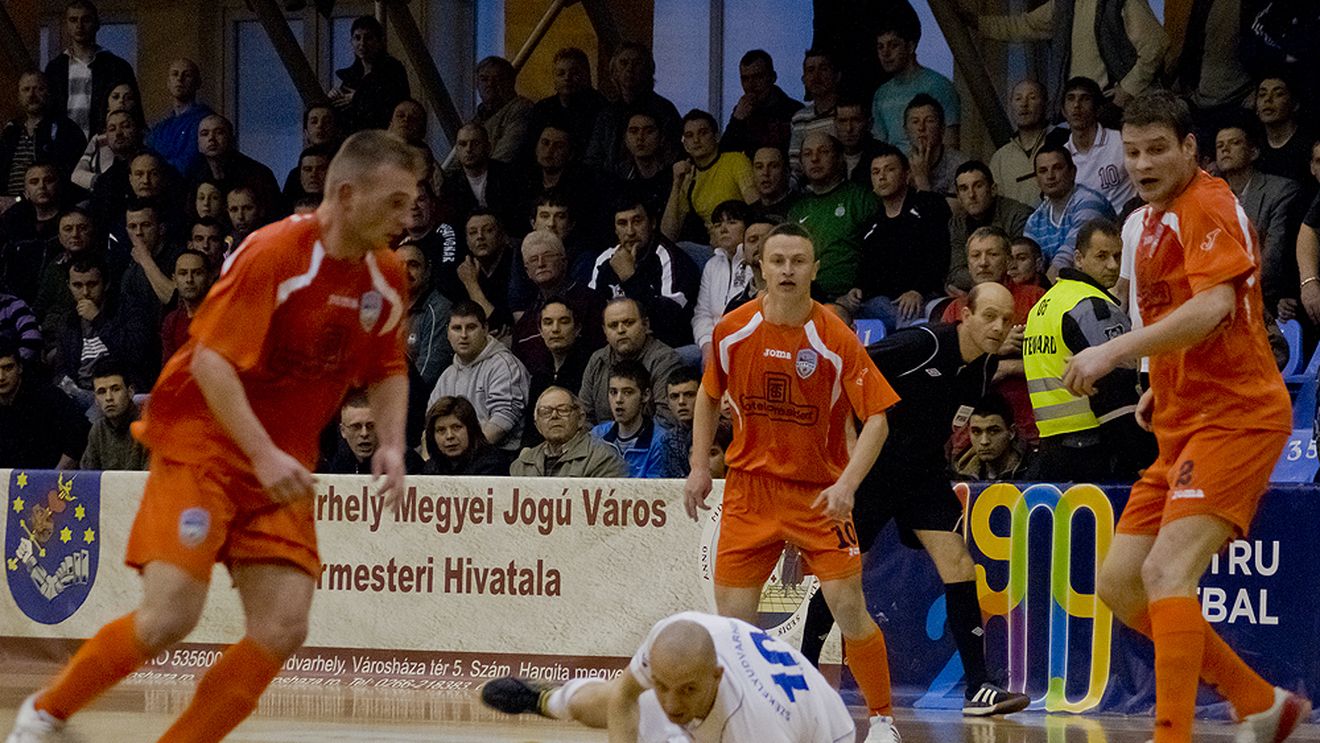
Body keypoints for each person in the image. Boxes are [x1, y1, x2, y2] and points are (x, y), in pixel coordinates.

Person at [4, 130, 422, 743]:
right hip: (206, 447)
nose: (408, 217)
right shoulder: (275, 254)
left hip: (280, 464)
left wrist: (390, 443)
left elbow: (387, 366)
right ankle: (47, 711)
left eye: (412, 202)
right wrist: (263, 454)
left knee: (282, 627)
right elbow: (210, 364)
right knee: (171, 615)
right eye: (395, 201)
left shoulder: (386, 276)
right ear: (346, 193)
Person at [1063, 90, 1308, 743]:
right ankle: (1259, 699)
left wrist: (1112, 352)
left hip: (1238, 416)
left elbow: (1214, 308)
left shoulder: (1208, 201)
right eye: (1133, 151)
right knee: (1120, 583)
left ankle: (1171, 733)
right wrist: (1155, 380)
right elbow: (1173, 324)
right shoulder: (1143, 222)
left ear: (1189, 148)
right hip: (1181, 418)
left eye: (1157, 149)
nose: (1143, 163)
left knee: (1167, 573)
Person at [685, 222, 904, 743]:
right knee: (735, 628)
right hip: (748, 491)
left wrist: (848, 484)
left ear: (814, 269)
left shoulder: (834, 338)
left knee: (849, 610)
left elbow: (878, 419)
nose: (787, 269)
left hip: (819, 495)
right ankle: (743, 719)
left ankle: (882, 721)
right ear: (760, 265)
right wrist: (698, 465)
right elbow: (707, 395)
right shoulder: (731, 330)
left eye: (798, 261)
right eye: (777, 260)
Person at [800, 282, 1032, 717]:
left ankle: (978, 688)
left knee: (959, 563)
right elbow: (847, 375)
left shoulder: (983, 368)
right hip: (872, 472)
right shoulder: (922, 344)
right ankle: (805, 676)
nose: (999, 327)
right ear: (964, 314)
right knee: (844, 576)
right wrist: (848, 456)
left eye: (1006, 319)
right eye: (989, 316)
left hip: (921, 475)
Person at [481, 611, 855, 741]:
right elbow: (626, 696)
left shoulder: (758, 730)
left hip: (820, 731)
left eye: (686, 690)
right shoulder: (673, 633)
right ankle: (551, 700)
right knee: (613, 701)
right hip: (734, 697)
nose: (673, 704)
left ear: (716, 675)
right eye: (662, 687)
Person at [1023, 219, 1153, 482]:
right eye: (1102, 256)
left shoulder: (1043, 305)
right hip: (1093, 446)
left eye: (1118, 256)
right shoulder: (1092, 307)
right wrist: (1142, 459)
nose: (1113, 265)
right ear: (1079, 258)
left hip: (1051, 446)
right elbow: (1116, 391)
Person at [965, 0, 1167, 113]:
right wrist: (975, 22)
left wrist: (1127, 90)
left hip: (1118, 110)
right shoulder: (1064, 5)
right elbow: (1024, 25)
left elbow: (1156, 45)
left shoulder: (1122, 1)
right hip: (1081, 111)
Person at [842, 143, 948, 329]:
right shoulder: (871, 224)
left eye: (889, 169)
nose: (881, 177)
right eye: (875, 172)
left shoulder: (926, 207)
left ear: (907, 175)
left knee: (905, 318)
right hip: (875, 302)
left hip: (918, 298)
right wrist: (857, 288)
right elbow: (866, 268)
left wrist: (917, 290)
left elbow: (938, 256)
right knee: (837, 313)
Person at [1214, 122, 1304, 319]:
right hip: (1219, 300)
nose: (1225, 149)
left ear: (1253, 151)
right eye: (1220, 146)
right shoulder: (1213, 196)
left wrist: (1231, 294)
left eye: (1234, 143)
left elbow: (1273, 256)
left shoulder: (1281, 191)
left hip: (1266, 301)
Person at [592, 197, 701, 350]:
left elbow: (670, 319)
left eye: (637, 221)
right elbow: (593, 315)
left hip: (664, 349)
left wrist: (630, 278)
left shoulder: (671, 258)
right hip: (615, 349)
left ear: (652, 223)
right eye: (622, 224)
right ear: (615, 229)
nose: (630, 231)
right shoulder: (605, 260)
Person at [427, 300, 530, 459]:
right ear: (447, 333)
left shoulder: (504, 365)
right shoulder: (446, 375)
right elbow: (430, 424)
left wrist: (465, 455)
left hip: (497, 458)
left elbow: (503, 422)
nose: (463, 335)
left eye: (471, 327)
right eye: (456, 328)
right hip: (455, 458)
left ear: (485, 329)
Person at [786, 132, 877, 301]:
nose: (814, 159)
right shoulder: (797, 209)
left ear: (839, 158)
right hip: (804, 299)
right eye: (807, 154)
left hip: (855, 299)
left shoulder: (860, 198)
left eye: (823, 152)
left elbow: (879, 252)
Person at [579, 297, 682, 425]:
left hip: (651, 442)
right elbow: (584, 417)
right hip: (599, 441)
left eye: (628, 323)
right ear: (605, 331)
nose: (621, 330)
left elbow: (667, 420)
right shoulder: (597, 360)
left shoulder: (665, 360)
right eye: (613, 325)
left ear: (646, 325)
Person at [43, 0, 138, 138]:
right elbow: (48, 111)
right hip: (64, 146)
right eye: (73, 20)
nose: (79, 26)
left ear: (97, 24)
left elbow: (133, 109)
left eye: (86, 19)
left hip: (106, 142)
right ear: (67, 25)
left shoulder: (117, 66)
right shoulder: (55, 69)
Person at [660, 110, 756, 243]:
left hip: (742, 242)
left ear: (716, 136)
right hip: (714, 248)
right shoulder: (687, 177)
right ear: (685, 145)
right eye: (689, 135)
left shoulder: (736, 161)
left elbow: (756, 208)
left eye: (703, 133)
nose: (696, 140)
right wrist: (676, 184)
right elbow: (669, 235)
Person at [1024, 144, 1117, 278]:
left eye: (1057, 168)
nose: (1050, 176)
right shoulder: (1034, 220)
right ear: (1036, 179)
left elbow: (1067, 258)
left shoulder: (1089, 201)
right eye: (1043, 171)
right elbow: (1028, 264)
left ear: (1073, 172)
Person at [871, 15, 961, 150]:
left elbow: (950, 142)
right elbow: (880, 145)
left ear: (910, 47)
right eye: (880, 47)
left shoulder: (939, 86)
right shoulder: (881, 94)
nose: (886, 53)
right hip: (894, 168)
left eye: (893, 45)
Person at [0, 336, 89, 469]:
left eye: (8, 368)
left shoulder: (47, 397)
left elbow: (80, 434)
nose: (1, 377)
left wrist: (55, 477)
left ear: (20, 368)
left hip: (47, 481)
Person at [948, 161, 1034, 292]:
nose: (971, 195)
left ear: (993, 189)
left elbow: (1017, 266)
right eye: (964, 189)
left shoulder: (1017, 215)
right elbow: (956, 273)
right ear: (958, 197)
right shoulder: (957, 223)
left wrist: (977, 286)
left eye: (978, 186)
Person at [591, 360, 686, 479]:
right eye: (613, 392)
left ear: (645, 395)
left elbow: (656, 491)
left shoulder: (661, 441)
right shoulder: (596, 436)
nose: (618, 399)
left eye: (627, 392)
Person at [509, 386, 628, 478]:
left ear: (580, 418)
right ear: (537, 424)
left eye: (563, 410)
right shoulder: (521, 465)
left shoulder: (604, 458)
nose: (554, 416)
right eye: (546, 412)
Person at [1, 71, 86, 198]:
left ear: (49, 93)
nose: (31, 94)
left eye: (39, 89)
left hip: (49, 204)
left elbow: (70, 175)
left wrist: (21, 199)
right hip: (9, 207)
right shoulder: (11, 131)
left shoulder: (66, 130)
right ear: (18, 96)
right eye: (26, 89)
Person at [523, 47, 609, 167]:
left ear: (587, 75)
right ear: (554, 78)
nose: (567, 78)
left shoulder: (602, 109)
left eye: (575, 73)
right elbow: (529, 149)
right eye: (561, 73)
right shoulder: (543, 108)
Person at [1061, 77, 1135, 214]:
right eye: (1071, 98)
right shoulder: (1061, 157)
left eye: (1085, 99)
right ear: (1063, 111)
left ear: (1097, 108)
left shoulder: (1121, 141)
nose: (1077, 105)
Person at [693, 200, 754, 362]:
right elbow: (702, 314)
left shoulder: (755, 265)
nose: (723, 229)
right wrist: (706, 344)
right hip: (712, 345)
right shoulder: (712, 265)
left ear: (747, 228)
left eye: (732, 222)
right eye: (718, 224)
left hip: (744, 345)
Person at [989, 79, 1065, 207]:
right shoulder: (1000, 158)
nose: (1024, 104)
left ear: (1046, 104)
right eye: (1018, 99)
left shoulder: (1062, 140)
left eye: (1032, 98)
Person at [329, 15, 410, 133]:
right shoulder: (351, 76)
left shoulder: (392, 70)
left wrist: (359, 98)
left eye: (368, 38)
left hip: (382, 138)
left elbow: (396, 103)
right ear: (351, 41)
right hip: (353, 140)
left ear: (379, 41)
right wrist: (332, 98)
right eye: (357, 38)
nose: (362, 43)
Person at [720, 50, 802, 157]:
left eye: (758, 77)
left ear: (772, 77)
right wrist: (737, 120)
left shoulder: (794, 111)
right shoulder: (742, 111)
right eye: (745, 79)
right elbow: (725, 157)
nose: (751, 85)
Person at [319, 392, 423, 475]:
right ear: (343, 431)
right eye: (356, 427)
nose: (364, 433)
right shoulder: (340, 464)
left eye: (371, 426)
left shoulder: (405, 462)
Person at [80, 357, 149, 471]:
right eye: (101, 392)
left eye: (115, 389)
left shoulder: (148, 427)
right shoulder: (98, 430)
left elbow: (150, 480)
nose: (109, 398)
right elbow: (88, 479)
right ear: (96, 399)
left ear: (130, 392)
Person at [146, 58, 213, 174]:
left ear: (198, 83)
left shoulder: (205, 121)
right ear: (168, 82)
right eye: (175, 74)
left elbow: (190, 163)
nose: (179, 79)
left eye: (186, 75)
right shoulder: (160, 128)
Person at [904, 93, 969, 199]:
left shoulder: (959, 165)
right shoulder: (899, 165)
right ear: (906, 130)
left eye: (929, 121)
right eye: (915, 122)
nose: (921, 128)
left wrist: (922, 180)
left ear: (942, 128)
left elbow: (952, 214)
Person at [421, 395, 507, 475]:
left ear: (471, 429)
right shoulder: (432, 467)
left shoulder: (491, 465)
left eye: (456, 427)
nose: (449, 436)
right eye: (441, 430)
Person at [788, 50, 842, 174]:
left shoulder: (847, 113)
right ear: (804, 79)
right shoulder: (799, 118)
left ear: (837, 75)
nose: (816, 76)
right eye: (810, 70)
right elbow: (796, 164)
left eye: (823, 69)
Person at [952, 395, 1029, 481]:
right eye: (976, 432)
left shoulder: (1032, 471)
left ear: (1011, 433)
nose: (984, 441)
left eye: (993, 431)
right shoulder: (956, 473)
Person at [472, 56, 532, 165]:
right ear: (477, 84)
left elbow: (505, 156)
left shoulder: (522, 110)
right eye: (484, 79)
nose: (490, 84)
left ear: (511, 82)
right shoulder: (477, 118)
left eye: (498, 79)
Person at [159, 249, 214, 365]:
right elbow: (169, 368)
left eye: (197, 273)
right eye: (183, 273)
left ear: (209, 278)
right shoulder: (171, 321)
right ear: (174, 280)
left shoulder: (223, 316)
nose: (189, 280)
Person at [748, 145, 796, 221]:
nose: (765, 173)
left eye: (773, 166)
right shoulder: (748, 213)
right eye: (759, 167)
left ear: (786, 172)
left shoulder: (800, 208)